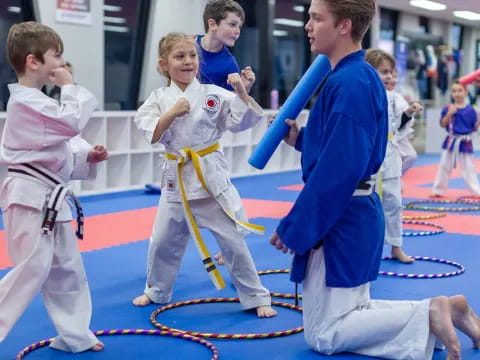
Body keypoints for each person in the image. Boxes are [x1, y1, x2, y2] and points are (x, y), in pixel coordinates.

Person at [269, 1, 480, 359]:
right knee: (350, 315)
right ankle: (439, 309)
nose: (307, 26)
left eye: (316, 18)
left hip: (343, 216)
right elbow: (345, 145)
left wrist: (296, 225)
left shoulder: (350, 81)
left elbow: (340, 167)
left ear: (344, 26)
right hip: (356, 211)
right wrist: (302, 139)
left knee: (325, 334)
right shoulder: (355, 75)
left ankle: (429, 312)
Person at [132, 32, 276, 318]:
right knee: (162, 241)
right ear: (163, 64)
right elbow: (151, 132)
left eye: (192, 56)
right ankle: (157, 290)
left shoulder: (212, 94)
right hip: (175, 182)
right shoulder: (159, 98)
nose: (188, 61)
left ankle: (255, 296)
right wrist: (171, 113)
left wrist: (243, 91)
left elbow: (239, 121)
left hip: (208, 181)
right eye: (179, 56)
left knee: (232, 242)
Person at [0, 22, 107, 353]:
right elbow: (69, 122)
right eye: (56, 56)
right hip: (28, 198)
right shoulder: (26, 102)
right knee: (33, 268)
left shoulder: (39, 103)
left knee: (66, 268)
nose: (61, 63)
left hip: (51, 197)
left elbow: (56, 152)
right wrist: (71, 85)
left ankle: (75, 335)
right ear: (34, 62)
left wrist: (85, 155)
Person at [365, 49, 422, 264]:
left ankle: (396, 246)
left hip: (389, 151)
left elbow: (397, 124)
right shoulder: (363, 95)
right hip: (369, 156)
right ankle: (369, 248)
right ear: (370, 72)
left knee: (395, 202)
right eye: (384, 72)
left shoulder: (392, 97)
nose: (389, 76)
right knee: (368, 204)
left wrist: (408, 113)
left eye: (390, 72)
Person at [431, 79, 480, 197]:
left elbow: (474, 128)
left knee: (469, 168)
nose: (457, 93)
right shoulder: (448, 108)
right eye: (454, 91)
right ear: (451, 94)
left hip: (465, 141)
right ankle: (438, 190)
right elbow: (443, 124)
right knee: (444, 166)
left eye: (460, 90)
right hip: (451, 140)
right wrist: (449, 114)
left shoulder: (471, 110)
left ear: (466, 92)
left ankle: (476, 191)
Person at [196, 0, 255, 93]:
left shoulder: (230, 64)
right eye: (232, 24)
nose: (238, 31)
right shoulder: (188, 44)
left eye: (239, 26)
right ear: (213, 24)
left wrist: (244, 88)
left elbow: (232, 103)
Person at [387, 68, 421, 176]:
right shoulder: (379, 94)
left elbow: (404, 118)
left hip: (399, 135)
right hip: (385, 137)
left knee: (411, 156)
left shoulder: (398, 97)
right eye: (390, 76)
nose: (393, 80)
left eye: (395, 77)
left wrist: (410, 110)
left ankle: (396, 178)